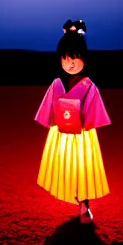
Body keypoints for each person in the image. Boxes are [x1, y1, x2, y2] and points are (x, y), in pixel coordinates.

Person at [34, 19, 111, 224]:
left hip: (82, 136)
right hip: (61, 135)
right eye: (66, 58)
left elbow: (95, 113)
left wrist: (85, 124)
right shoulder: (57, 83)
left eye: (75, 58)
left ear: (84, 59)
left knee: (82, 170)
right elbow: (48, 110)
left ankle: (84, 206)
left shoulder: (89, 86)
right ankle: (76, 199)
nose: (70, 63)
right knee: (66, 168)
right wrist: (54, 123)